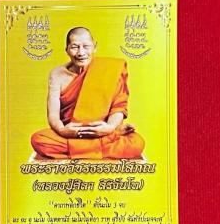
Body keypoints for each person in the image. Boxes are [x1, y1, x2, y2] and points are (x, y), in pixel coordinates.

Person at [30, 27, 145, 159]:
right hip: (70, 134)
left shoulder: (110, 68)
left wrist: (110, 127)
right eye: (74, 47)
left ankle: (81, 148)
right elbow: (53, 114)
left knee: (137, 143)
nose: (81, 52)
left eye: (86, 46)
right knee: (39, 139)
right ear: (66, 49)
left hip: (102, 131)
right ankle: (107, 144)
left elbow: (118, 106)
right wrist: (62, 130)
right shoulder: (57, 74)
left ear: (94, 47)